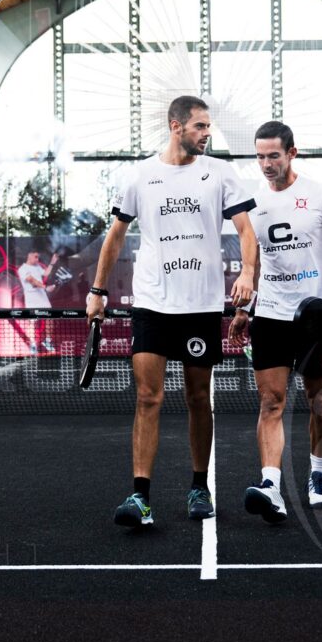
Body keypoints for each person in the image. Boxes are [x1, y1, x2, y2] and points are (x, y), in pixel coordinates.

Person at [85, 95, 257, 529]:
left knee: (198, 397)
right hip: (152, 303)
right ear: (176, 126)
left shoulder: (220, 173)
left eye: (208, 126)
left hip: (200, 304)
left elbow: (245, 229)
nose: (207, 133)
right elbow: (115, 236)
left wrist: (248, 272)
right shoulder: (141, 175)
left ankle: (199, 487)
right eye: (200, 126)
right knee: (148, 397)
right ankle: (140, 496)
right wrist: (97, 292)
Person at [228, 120, 322, 522]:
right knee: (271, 401)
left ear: (292, 153)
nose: (266, 164)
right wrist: (244, 309)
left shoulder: (320, 195)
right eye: (259, 157)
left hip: (314, 317)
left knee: (318, 400)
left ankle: (318, 474)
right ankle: (271, 486)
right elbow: (252, 261)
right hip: (270, 314)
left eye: (273, 155)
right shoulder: (251, 203)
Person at [16, 249, 59, 353]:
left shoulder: (37, 267)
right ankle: (33, 345)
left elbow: (46, 274)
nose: (37, 259)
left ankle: (47, 341)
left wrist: (52, 263)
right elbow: (32, 281)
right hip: (31, 300)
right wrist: (46, 288)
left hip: (43, 299)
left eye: (38, 257)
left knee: (50, 318)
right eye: (35, 257)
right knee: (32, 323)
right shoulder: (22, 269)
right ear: (29, 256)